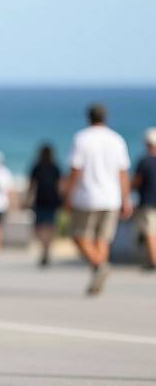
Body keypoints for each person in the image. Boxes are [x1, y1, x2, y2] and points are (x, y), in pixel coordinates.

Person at [65, 104, 132, 295]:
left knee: (78, 235)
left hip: (86, 196)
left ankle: (99, 265)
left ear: (88, 117)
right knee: (102, 239)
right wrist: (126, 199)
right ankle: (98, 272)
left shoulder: (81, 139)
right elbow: (123, 173)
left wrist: (68, 195)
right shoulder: (117, 140)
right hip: (111, 198)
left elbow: (75, 170)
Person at [27, 144, 62, 266]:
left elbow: (32, 185)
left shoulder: (37, 167)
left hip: (40, 199)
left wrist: (28, 199)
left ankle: (44, 248)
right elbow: (59, 185)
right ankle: (47, 248)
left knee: (39, 226)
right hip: (53, 200)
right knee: (50, 225)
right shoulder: (55, 167)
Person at [132, 128, 156, 270]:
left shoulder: (144, 161)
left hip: (149, 202)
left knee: (150, 233)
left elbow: (136, 182)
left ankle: (153, 261)